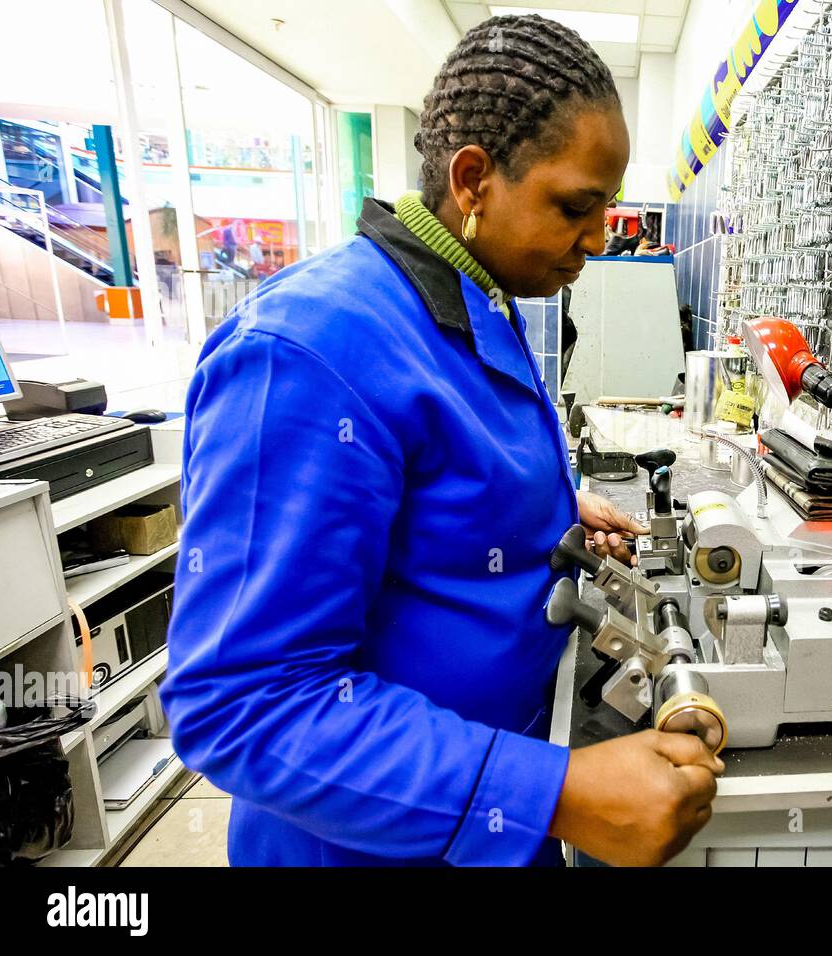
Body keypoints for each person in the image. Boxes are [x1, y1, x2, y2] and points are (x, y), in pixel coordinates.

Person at [160, 13, 722, 868]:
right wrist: (555, 797)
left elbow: (419, 485)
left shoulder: (478, 306)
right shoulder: (310, 352)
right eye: (577, 206)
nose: (600, 237)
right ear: (473, 181)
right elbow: (245, 701)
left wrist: (529, 511)